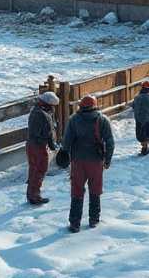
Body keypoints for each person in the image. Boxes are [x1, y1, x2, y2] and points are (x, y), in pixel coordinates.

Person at [60, 94, 115, 232]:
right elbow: (110, 142)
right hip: (96, 161)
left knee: (77, 191)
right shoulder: (102, 120)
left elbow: (66, 142)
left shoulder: (74, 120)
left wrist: (64, 153)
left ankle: (74, 223)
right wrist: (107, 160)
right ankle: (94, 219)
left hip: (78, 161)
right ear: (94, 106)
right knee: (95, 190)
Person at [26, 92, 60, 205]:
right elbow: (48, 134)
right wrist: (52, 145)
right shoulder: (44, 115)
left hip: (30, 144)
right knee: (40, 169)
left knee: (33, 168)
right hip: (39, 146)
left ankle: (30, 193)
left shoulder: (34, 112)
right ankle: (35, 195)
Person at [131, 79, 149, 156]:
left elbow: (136, 109)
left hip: (141, 120)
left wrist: (137, 120)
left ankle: (144, 148)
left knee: (141, 134)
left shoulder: (139, 98)